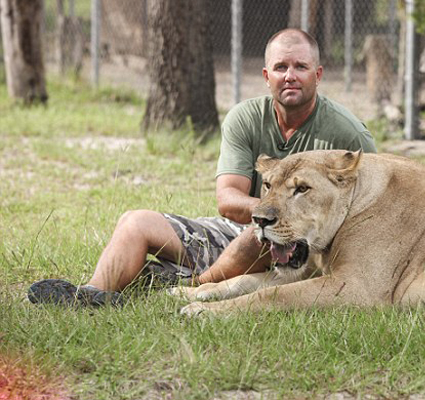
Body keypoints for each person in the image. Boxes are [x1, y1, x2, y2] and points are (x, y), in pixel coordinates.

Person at [28, 28, 377, 306]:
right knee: (136, 222)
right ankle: (92, 295)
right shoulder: (245, 117)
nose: (290, 76)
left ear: (318, 74)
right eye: (281, 67)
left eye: (300, 67)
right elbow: (228, 200)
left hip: (306, 246)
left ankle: (194, 283)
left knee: (261, 232)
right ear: (266, 74)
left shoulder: (348, 134)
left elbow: (367, 208)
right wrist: (274, 214)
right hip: (245, 230)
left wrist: (286, 222)